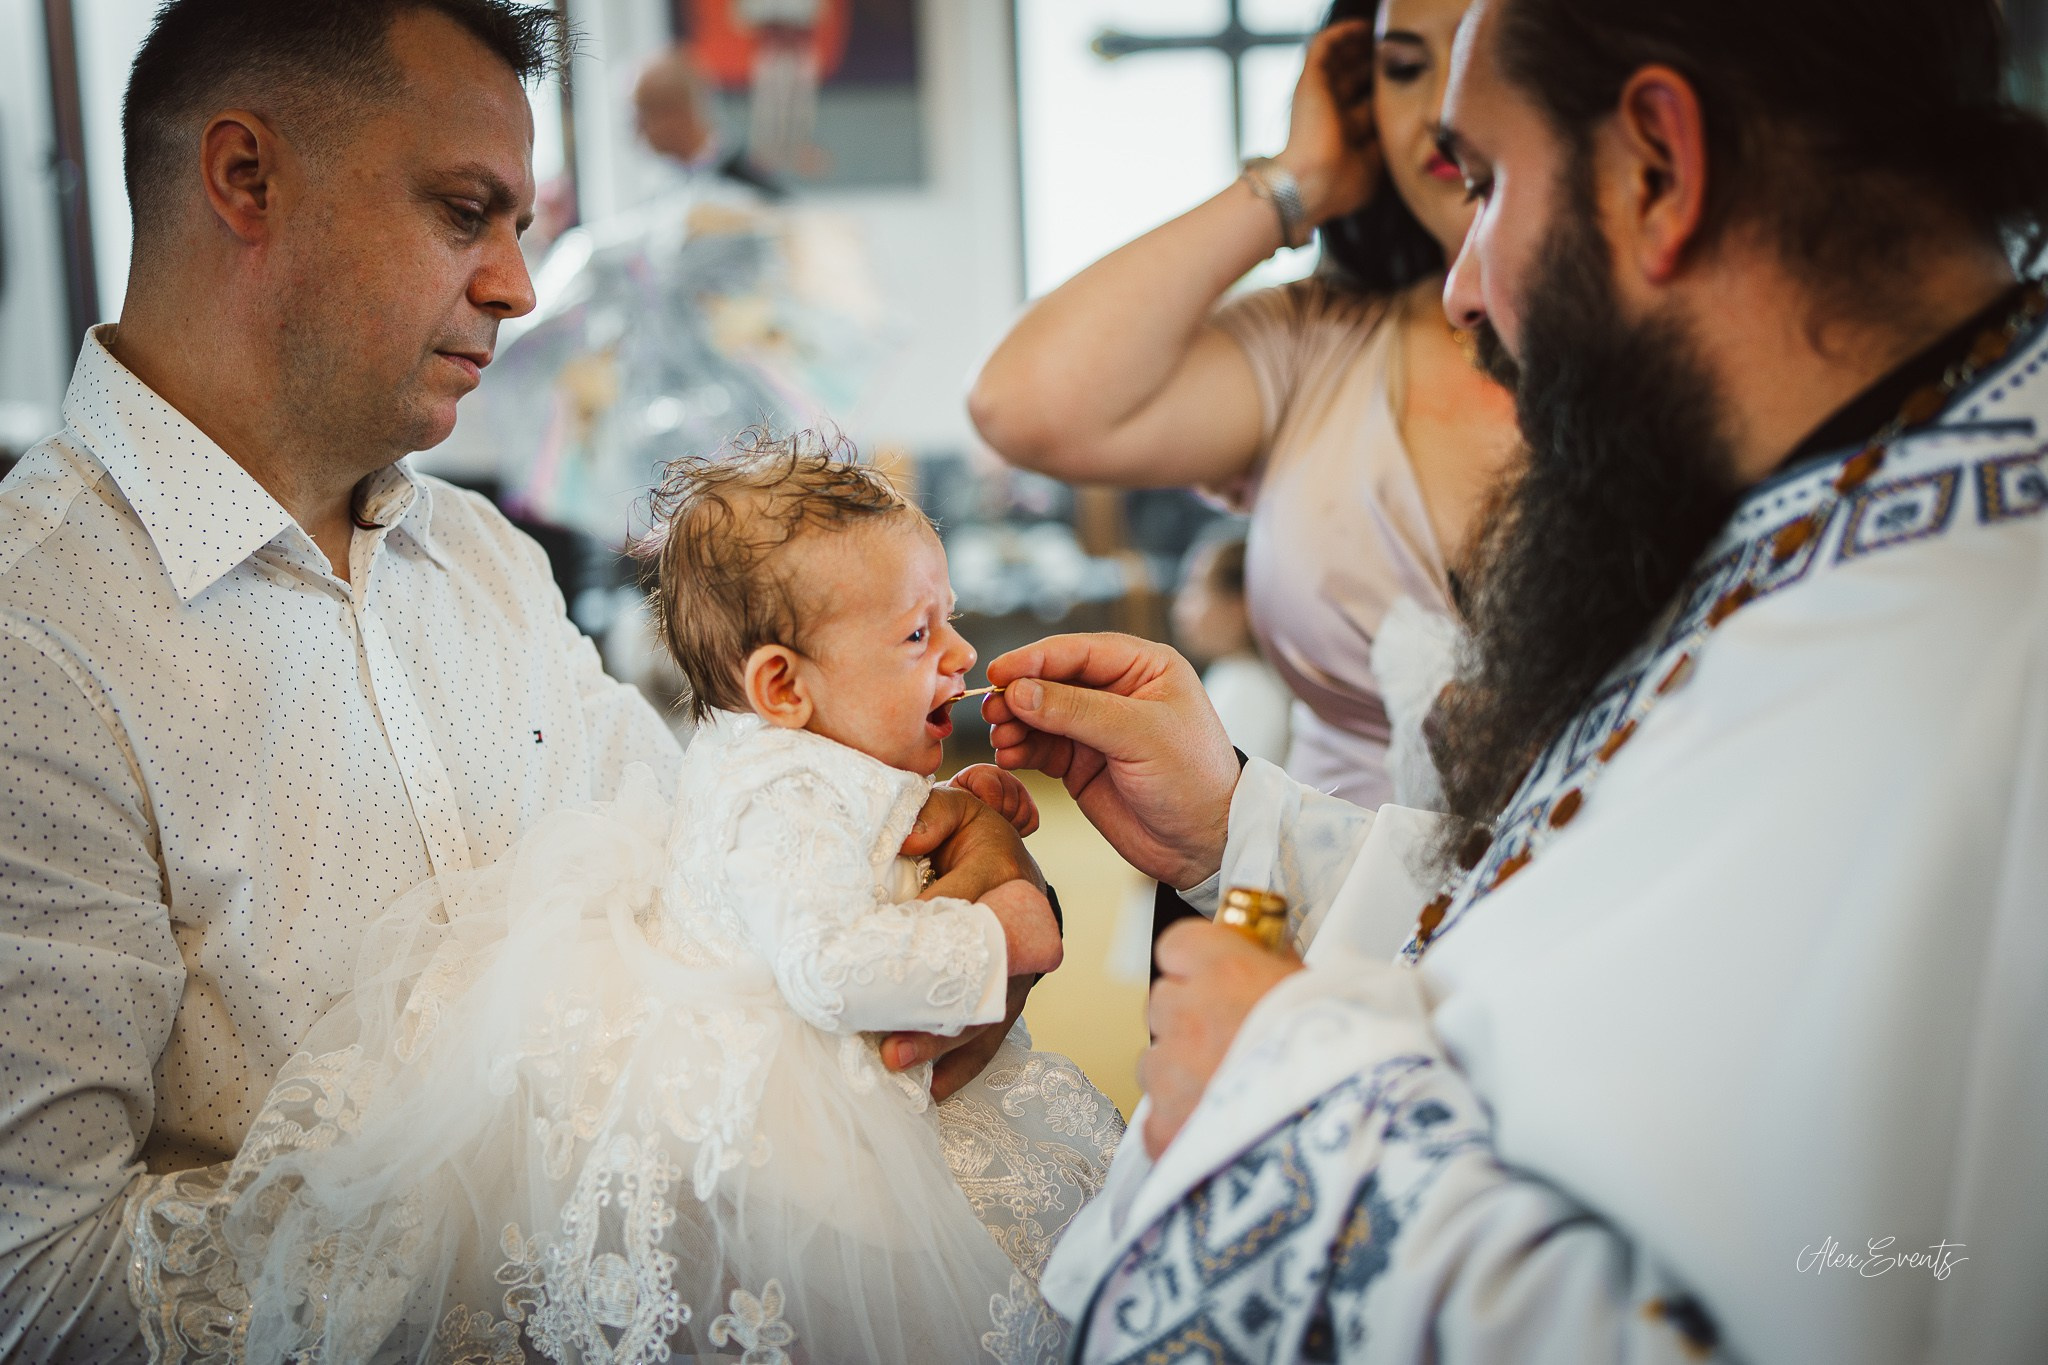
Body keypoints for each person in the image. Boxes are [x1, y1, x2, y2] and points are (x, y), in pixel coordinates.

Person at [974, 0, 2048, 1359]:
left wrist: (1288, 1094)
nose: (1465, 285)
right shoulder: (1845, 491)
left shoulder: (1978, 641)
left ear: (1656, 165)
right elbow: (1606, 915)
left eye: (1485, 182)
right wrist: (1251, 823)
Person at [0, 4, 1050, 1360]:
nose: (519, 287)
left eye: (522, 226)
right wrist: (554, 1253)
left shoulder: (488, 558)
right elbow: (40, 1286)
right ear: (245, 178)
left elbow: (698, 910)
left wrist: (917, 883)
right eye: (463, 214)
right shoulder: (38, 644)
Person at [216, 438, 1119, 1363]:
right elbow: (829, 965)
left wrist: (939, 826)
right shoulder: (780, 799)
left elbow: (861, 850)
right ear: (782, 685)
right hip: (791, 1138)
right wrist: (987, 933)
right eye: (918, 634)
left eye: (949, 617)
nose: (963, 652)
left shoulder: (800, 757)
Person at [970, 0, 1518, 807]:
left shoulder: (1676, 359)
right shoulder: (1317, 341)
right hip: (1323, 905)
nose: (1442, 110)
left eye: (1488, 53)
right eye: (1404, 68)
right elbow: (1023, 402)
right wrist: (1297, 180)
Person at [1172, 532, 1293, 766]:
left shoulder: (1248, 688)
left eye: (1196, 588)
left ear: (1238, 605)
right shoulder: (1232, 676)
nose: (1181, 607)